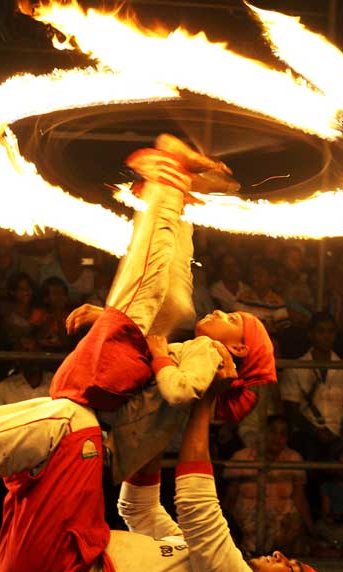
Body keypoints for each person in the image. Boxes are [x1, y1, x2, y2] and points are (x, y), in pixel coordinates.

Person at [0, 134, 334, 572]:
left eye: (292, 568)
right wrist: (162, 418)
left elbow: (194, 502)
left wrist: (199, 405)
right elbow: (137, 508)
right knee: (141, 331)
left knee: (75, 418)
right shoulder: (207, 570)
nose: (283, 556)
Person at [48, 134, 277, 481]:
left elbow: (177, 388)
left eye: (231, 318)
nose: (219, 312)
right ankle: (177, 199)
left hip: (114, 361)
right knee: (172, 284)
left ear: (239, 347)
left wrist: (156, 355)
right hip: (121, 354)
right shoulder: (200, 350)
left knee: (154, 263)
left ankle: (172, 184)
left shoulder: (212, 353)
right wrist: (104, 317)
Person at [224, 414, 313, 556]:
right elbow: (231, 496)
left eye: (282, 434)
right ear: (263, 433)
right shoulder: (242, 457)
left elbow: (299, 498)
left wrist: (310, 528)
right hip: (247, 519)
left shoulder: (293, 458)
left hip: (283, 519)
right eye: (272, 431)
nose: (276, 437)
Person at [280, 312, 343, 460]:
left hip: (338, 433)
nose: (327, 336)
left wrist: (342, 436)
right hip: (306, 435)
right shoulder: (295, 368)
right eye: (321, 331)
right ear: (310, 335)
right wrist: (315, 432)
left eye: (331, 331)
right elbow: (291, 411)